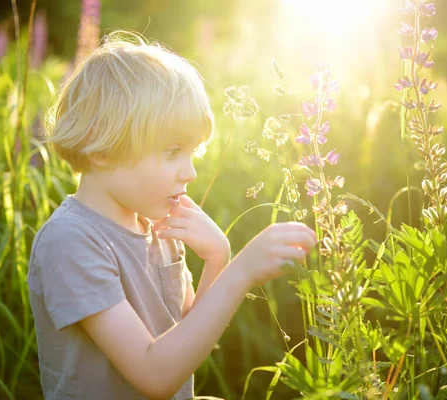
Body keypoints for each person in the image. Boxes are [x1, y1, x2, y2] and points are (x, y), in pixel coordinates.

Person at [27, 30, 318, 400]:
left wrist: (218, 258)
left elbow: (187, 342)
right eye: (172, 151)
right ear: (102, 146)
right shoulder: (70, 241)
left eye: (192, 153)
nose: (190, 172)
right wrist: (241, 272)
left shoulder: (158, 227)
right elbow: (155, 373)